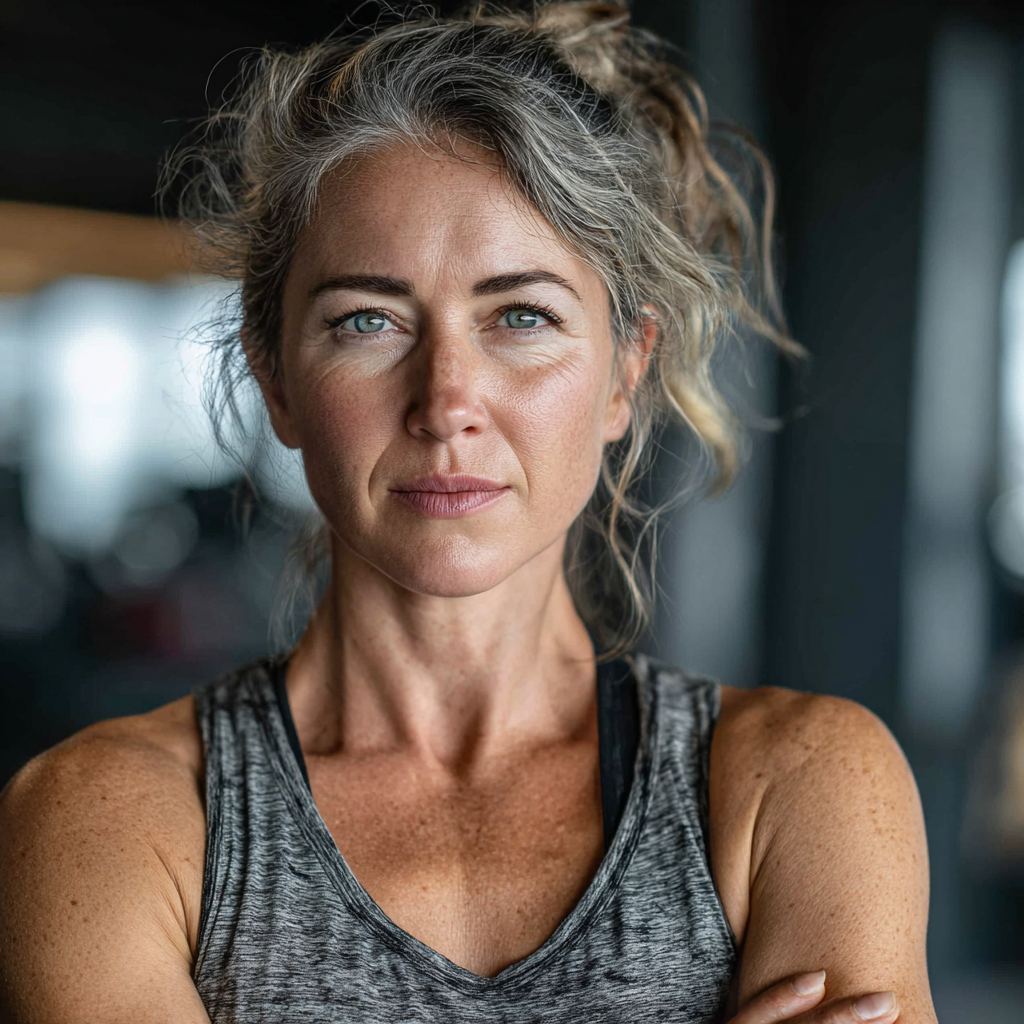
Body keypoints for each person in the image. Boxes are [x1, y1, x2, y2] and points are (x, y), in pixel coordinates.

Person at [0, 4, 937, 1022]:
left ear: (627, 370)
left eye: (520, 316)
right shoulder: (112, 815)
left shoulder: (798, 784)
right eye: (368, 320)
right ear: (275, 377)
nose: (446, 401)